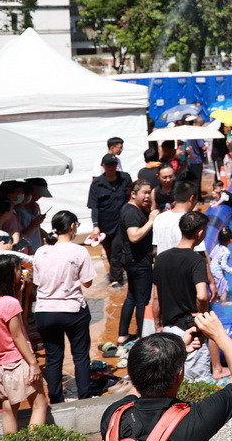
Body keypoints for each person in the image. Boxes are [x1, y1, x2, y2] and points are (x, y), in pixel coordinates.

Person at [98, 312, 232, 441]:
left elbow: (138, 384)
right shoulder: (196, 421)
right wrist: (218, 335)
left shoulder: (114, 416)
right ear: (179, 375)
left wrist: (176, 352)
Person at [32, 211, 94, 404]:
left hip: (44, 311)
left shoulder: (41, 251)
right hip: (72, 309)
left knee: (53, 357)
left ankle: (56, 399)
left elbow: (36, 282)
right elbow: (88, 283)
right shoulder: (79, 251)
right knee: (81, 356)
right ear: (73, 226)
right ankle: (84, 397)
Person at [0, 254, 48, 434]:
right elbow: (18, 336)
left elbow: (10, 317)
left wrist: (19, 292)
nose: (21, 272)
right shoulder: (9, 303)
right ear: (7, 274)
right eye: (18, 269)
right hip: (19, 362)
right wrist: (34, 364)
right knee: (40, 404)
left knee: (9, 408)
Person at [152, 212, 216, 382]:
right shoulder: (196, 261)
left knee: (176, 380)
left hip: (169, 329)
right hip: (191, 329)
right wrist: (202, 318)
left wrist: (158, 324)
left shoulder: (161, 259)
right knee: (199, 383)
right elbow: (202, 296)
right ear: (200, 232)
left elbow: (156, 298)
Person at [116, 180, 158, 345]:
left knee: (132, 297)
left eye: (149, 192)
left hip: (132, 260)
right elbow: (134, 236)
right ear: (133, 194)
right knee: (142, 300)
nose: (147, 196)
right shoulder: (132, 212)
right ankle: (143, 337)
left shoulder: (133, 209)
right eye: (144, 193)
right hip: (139, 262)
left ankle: (123, 334)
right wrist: (151, 221)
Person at [87, 154, 133, 288]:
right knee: (110, 252)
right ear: (103, 166)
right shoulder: (97, 184)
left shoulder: (125, 178)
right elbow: (94, 206)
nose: (111, 168)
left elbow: (131, 196)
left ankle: (115, 279)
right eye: (108, 165)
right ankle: (118, 271)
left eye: (113, 165)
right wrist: (95, 226)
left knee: (117, 249)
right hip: (105, 223)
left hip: (121, 221)